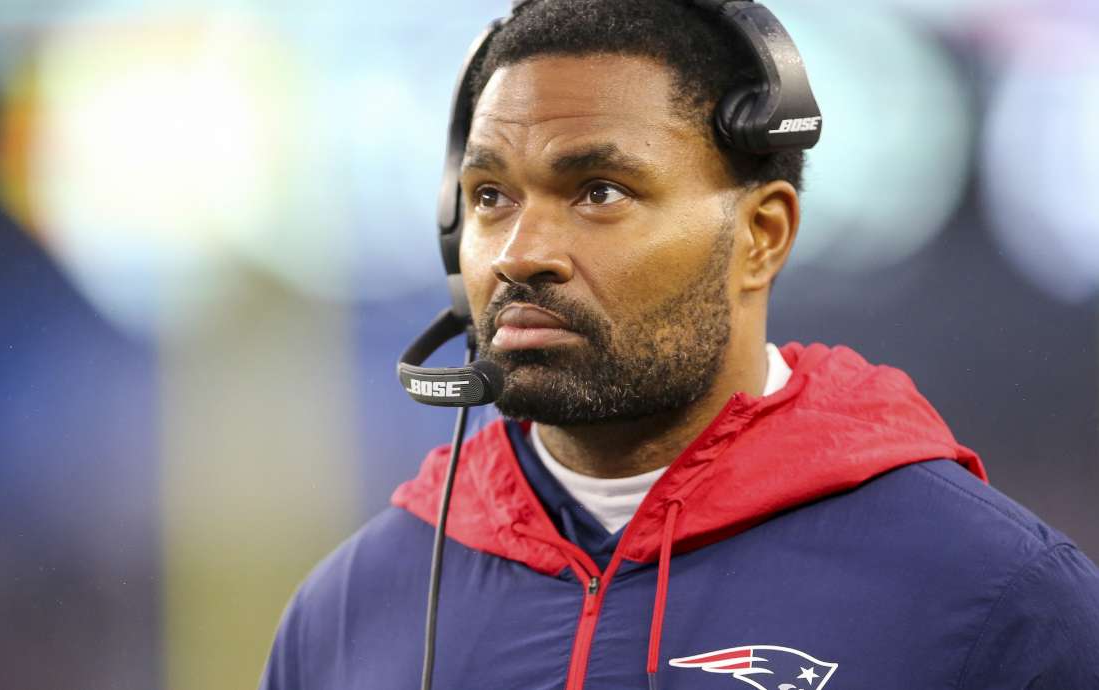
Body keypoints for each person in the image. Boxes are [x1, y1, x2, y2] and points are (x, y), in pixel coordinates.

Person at [259, 1, 1099, 688]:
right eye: (489, 197)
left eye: (598, 191)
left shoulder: (997, 599)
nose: (519, 253)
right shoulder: (347, 613)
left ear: (762, 236)